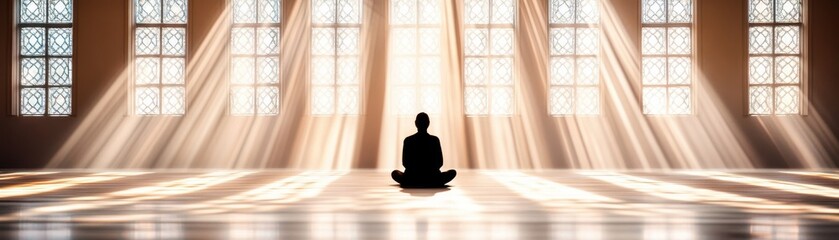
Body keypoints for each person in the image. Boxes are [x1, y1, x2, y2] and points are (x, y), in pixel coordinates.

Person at [391, 112, 456, 187]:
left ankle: (413, 182)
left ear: (416, 123)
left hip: (412, 177)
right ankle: (430, 182)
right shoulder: (434, 140)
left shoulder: (408, 140)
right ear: (428, 123)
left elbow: (405, 163)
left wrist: (415, 170)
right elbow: (439, 163)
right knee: (452, 172)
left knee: (395, 173)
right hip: (432, 177)